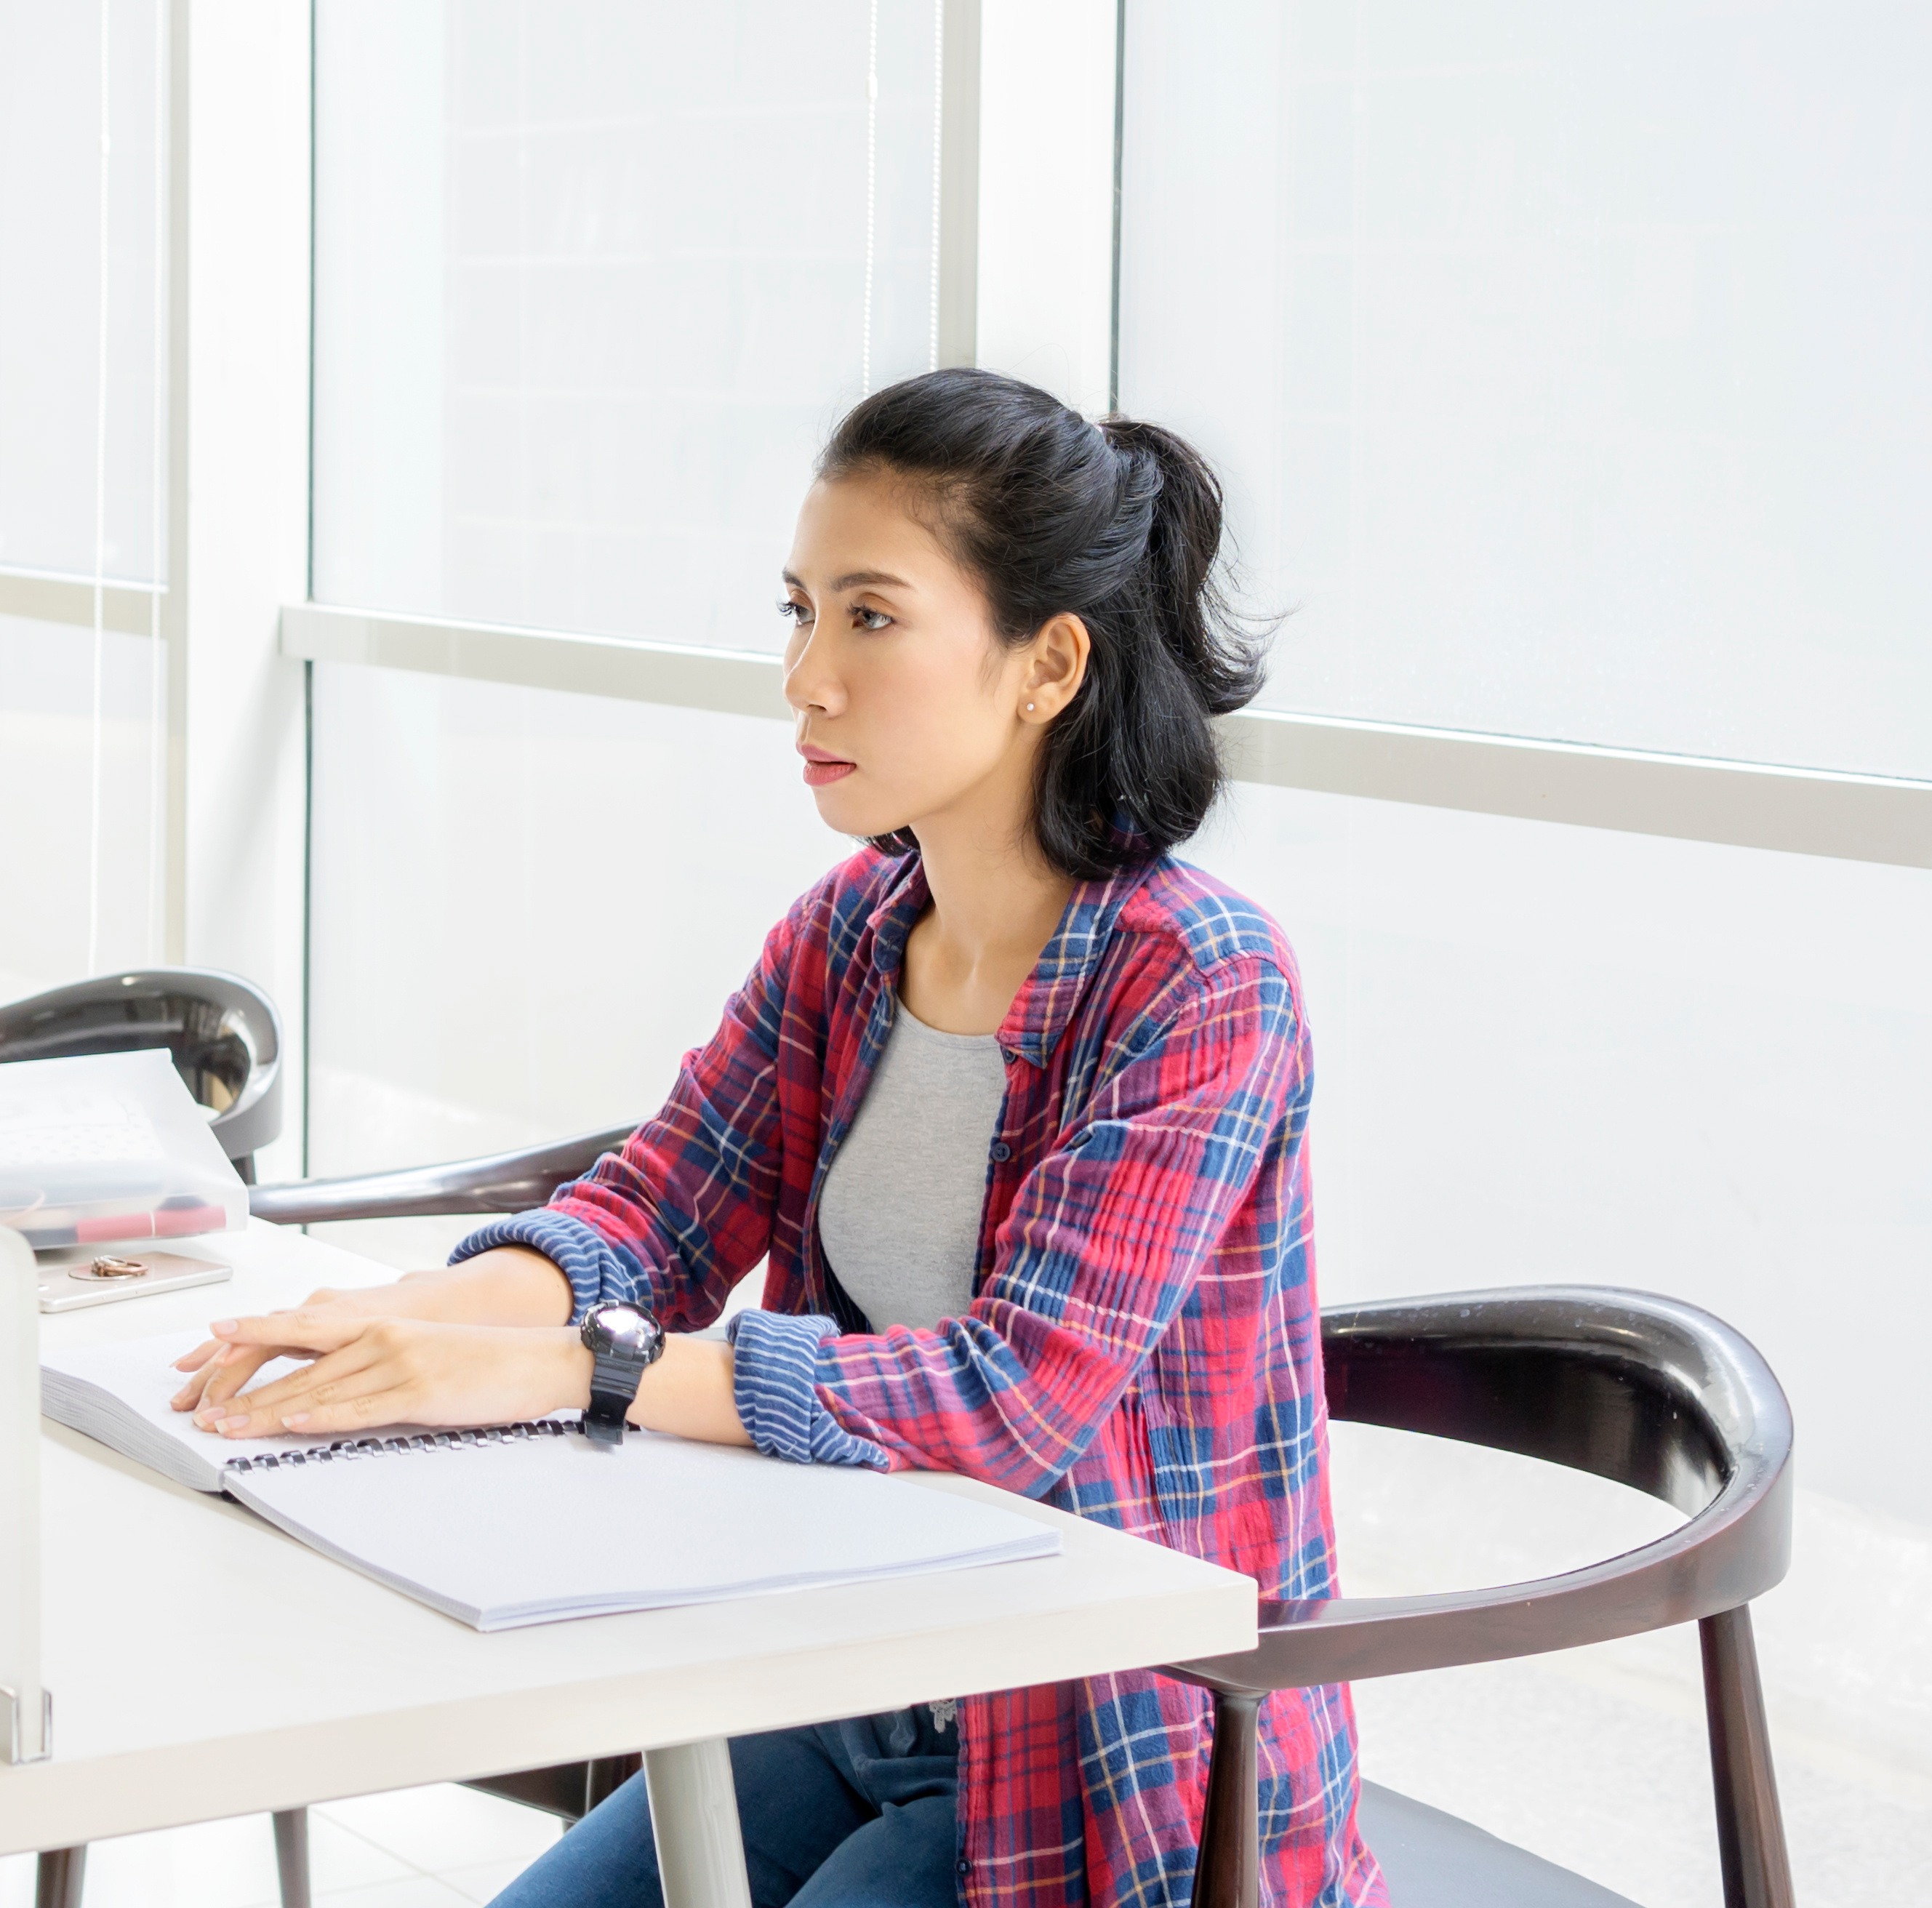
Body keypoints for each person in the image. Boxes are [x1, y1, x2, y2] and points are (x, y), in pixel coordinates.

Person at [174, 367, 1383, 1908]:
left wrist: (569, 1369)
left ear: (1046, 664)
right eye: (799, 608)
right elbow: (654, 1219)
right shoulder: (853, 936)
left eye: (870, 617)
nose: (805, 676)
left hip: (1091, 1756)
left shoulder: (1201, 977)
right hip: (851, 1681)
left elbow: (1012, 1394)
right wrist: (381, 1326)